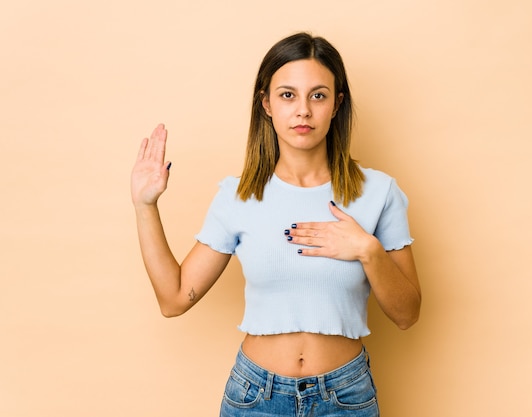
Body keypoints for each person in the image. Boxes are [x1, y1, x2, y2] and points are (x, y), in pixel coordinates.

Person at [131, 32, 421, 417]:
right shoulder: (239, 195)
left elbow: (407, 314)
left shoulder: (379, 192)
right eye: (288, 95)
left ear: (336, 105)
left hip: (345, 396)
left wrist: (368, 251)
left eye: (317, 95)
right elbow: (174, 299)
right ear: (266, 104)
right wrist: (145, 205)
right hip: (256, 396)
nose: (303, 110)